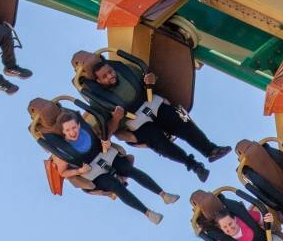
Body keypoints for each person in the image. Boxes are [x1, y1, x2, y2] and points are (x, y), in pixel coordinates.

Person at [71, 48, 223, 180]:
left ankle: (210, 149)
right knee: (160, 143)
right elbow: (108, 131)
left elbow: (148, 78)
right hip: (135, 123)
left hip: (151, 103)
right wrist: (117, 119)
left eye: (110, 72)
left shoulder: (123, 69)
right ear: (97, 81)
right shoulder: (97, 100)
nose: (110, 76)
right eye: (105, 77)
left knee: (182, 121)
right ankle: (194, 166)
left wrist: (151, 79)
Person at [28, 99, 174, 222]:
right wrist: (80, 171)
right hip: (90, 168)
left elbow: (97, 132)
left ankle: (163, 195)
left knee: (129, 170)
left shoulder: (74, 121)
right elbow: (63, 172)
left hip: (101, 151)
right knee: (116, 185)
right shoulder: (57, 147)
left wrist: (105, 139)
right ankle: (148, 213)